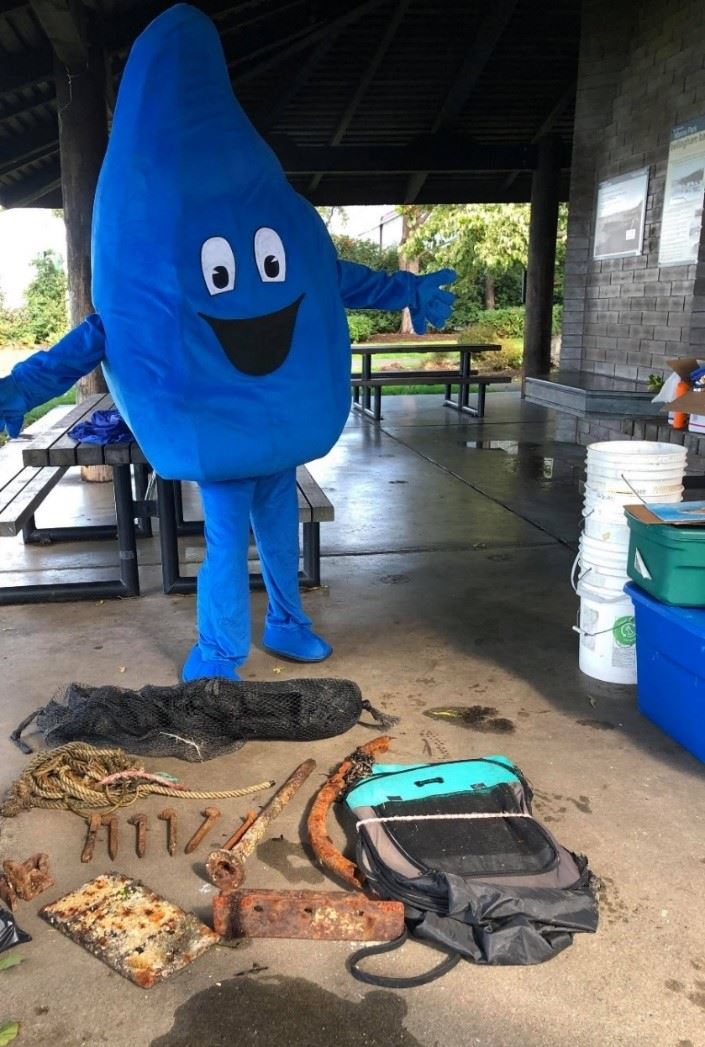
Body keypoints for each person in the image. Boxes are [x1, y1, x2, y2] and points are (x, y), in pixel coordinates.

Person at [0, 4, 456, 681]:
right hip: (220, 433)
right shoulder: (158, 261)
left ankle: (286, 621)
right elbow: (94, 341)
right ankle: (220, 648)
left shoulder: (246, 227)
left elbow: (334, 280)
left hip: (271, 429)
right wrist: (18, 391)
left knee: (276, 529)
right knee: (224, 542)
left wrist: (408, 292)